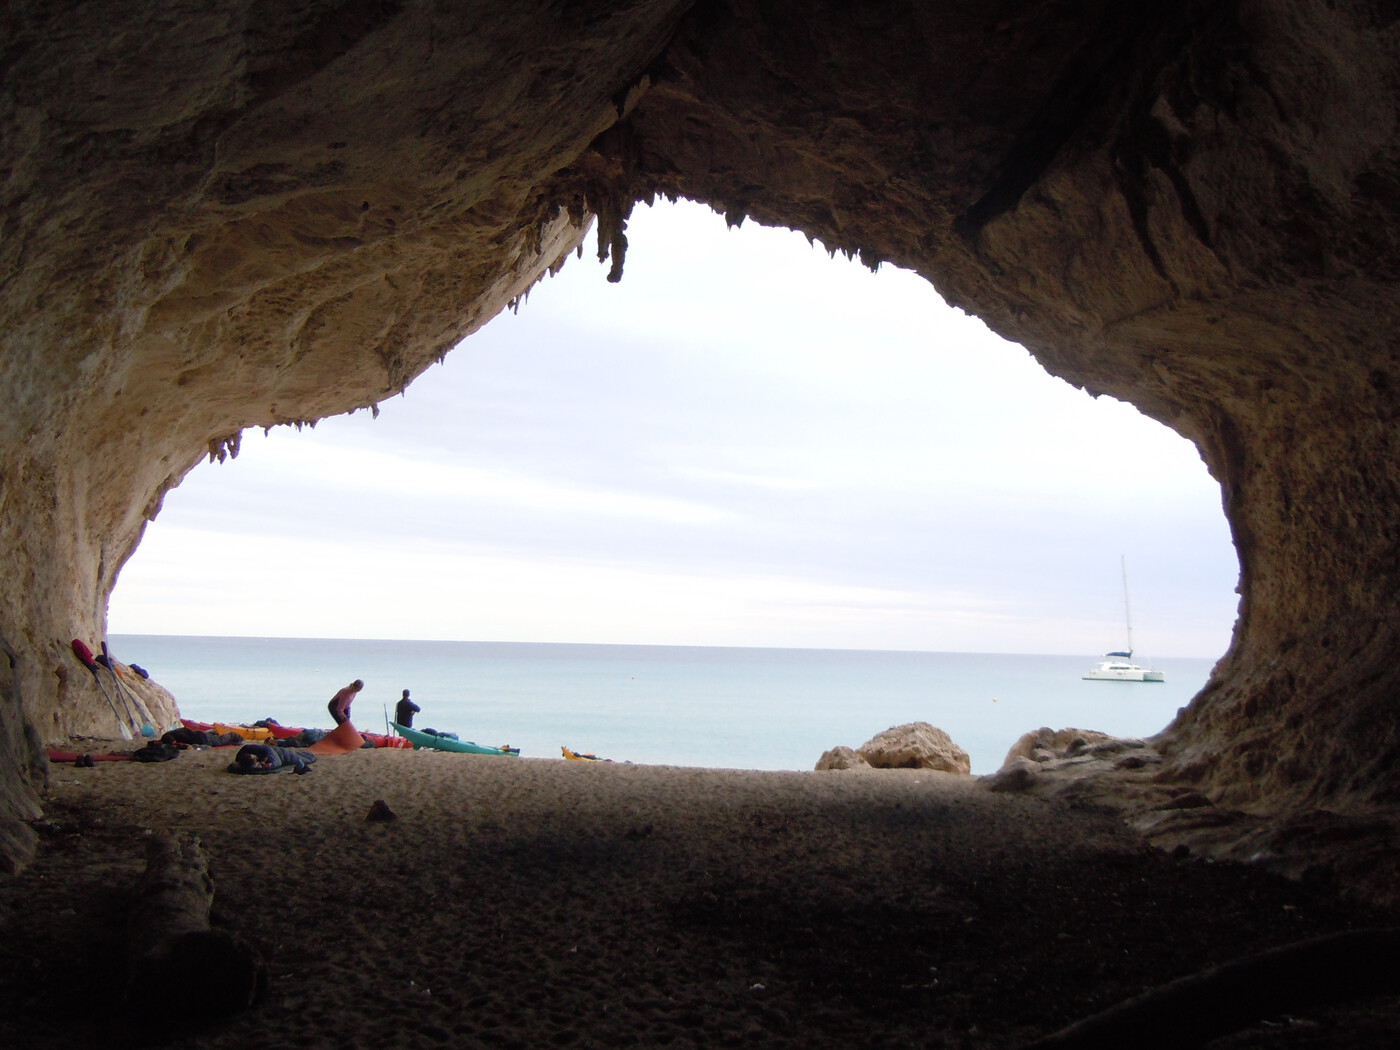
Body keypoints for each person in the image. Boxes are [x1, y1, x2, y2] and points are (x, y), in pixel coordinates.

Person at [228, 743, 315, 774]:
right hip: (280, 754)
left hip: (279, 753)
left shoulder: (247, 751)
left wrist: (268, 763)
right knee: (299, 758)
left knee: (305, 757)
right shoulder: (249, 763)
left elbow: (270, 752)